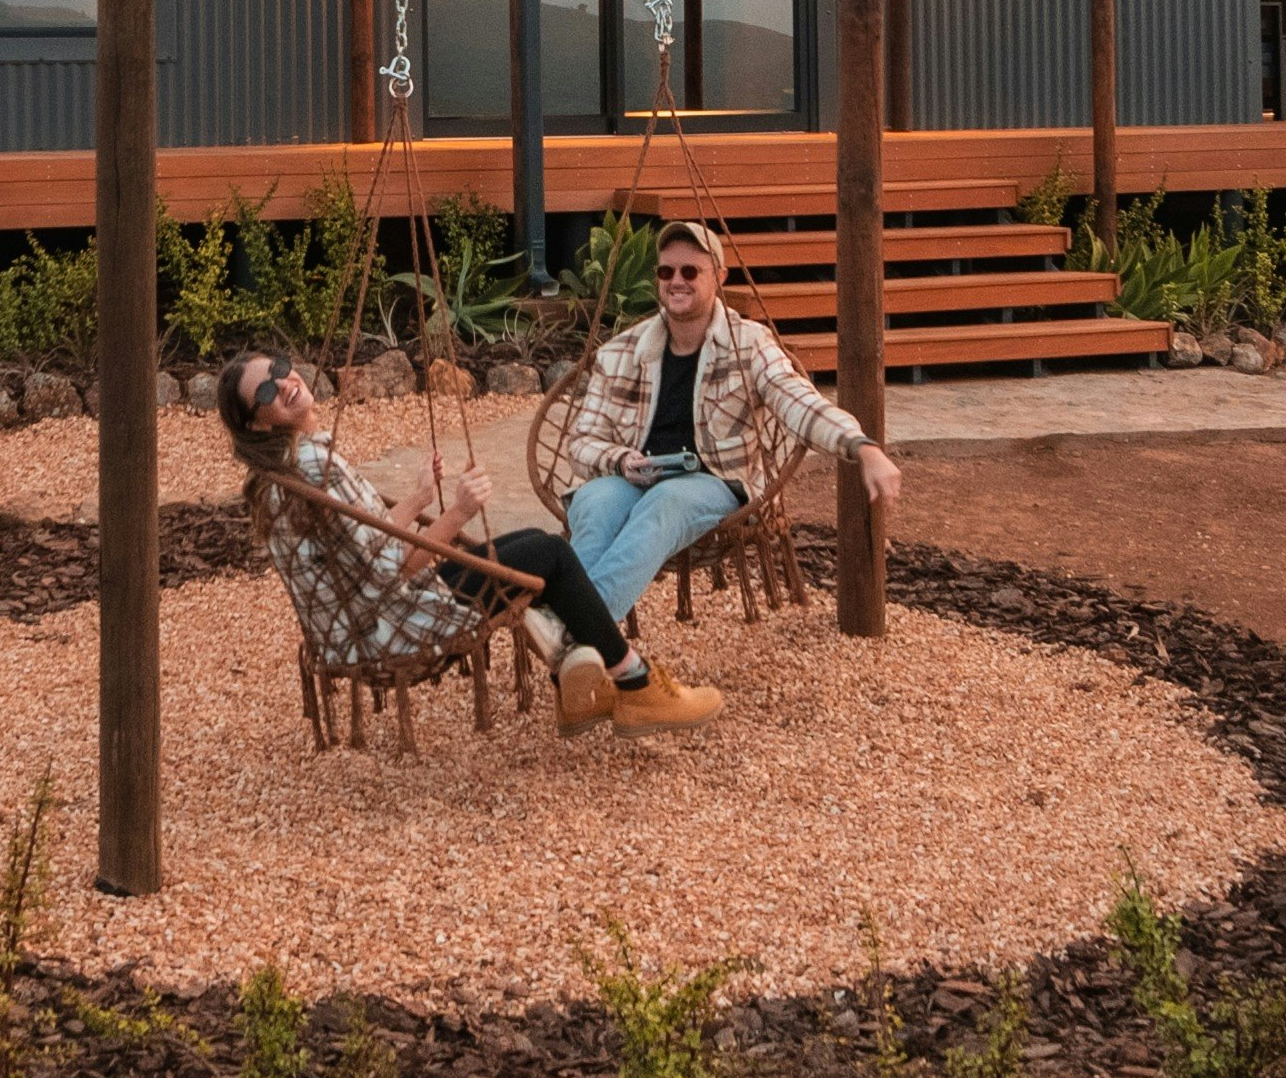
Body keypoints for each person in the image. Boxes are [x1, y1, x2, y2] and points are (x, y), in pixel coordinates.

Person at [220, 348, 721, 733]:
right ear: (256, 422)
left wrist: (420, 497)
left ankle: (576, 680)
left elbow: (366, 537)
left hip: (362, 619)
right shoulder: (315, 468)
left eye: (279, 369)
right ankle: (635, 683)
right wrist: (457, 510)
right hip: (394, 623)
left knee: (530, 544)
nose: (283, 384)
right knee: (549, 553)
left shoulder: (286, 467)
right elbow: (395, 564)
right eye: (264, 391)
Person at [563, 218, 903, 629]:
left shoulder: (749, 343)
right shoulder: (622, 351)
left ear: (719, 277)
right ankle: (578, 639)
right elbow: (582, 440)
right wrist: (620, 460)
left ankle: (573, 625)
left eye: (691, 271)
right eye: (666, 271)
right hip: (633, 476)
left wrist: (862, 446)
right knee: (594, 502)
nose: (676, 281)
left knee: (663, 503)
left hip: (714, 481)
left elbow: (797, 401)